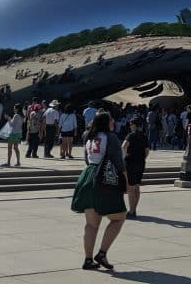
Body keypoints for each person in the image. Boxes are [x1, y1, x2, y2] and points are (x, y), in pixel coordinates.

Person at [71, 111, 126, 271]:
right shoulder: (111, 137)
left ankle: (88, 259)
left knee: (91, 224)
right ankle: (102, 253)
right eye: (111, 119)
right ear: (107, 122)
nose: (113, 121)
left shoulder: (88, 135)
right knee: (119, 217)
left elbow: (87, 159)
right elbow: (118, 161)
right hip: (104, 179)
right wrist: (126, 182)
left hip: (88, 175)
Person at [122, 117, 149, 218]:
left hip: (130, 163)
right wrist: (142, 158)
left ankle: (132, 211)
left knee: (131, 188)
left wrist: (125, 156)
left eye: (130, 124)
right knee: (137, 187)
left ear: (134, 125)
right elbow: (147, 151)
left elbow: (123, 146)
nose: (130, 126)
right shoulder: (144, 136)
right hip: (141, 163)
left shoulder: (131, 135)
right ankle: (134, 209)